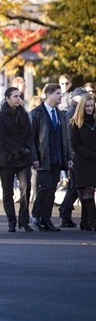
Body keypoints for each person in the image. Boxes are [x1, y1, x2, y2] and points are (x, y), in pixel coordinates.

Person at [29, 83, 72, 231]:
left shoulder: (60, 114)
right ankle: (35, 215)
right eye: (58, 93)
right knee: (45, 187)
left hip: (57, 158)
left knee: (51, 189)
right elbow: (31, 139)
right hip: (43, 158)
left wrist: (68, 157)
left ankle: (46, 220)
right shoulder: (36, 113)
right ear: (49, 95)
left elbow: (65, 138)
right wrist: (34, 157)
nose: (61, 96)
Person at [0, 87, 36, 232]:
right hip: (6, 158)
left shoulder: (24, 114)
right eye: (15, 96)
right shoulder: (0, 116)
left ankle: (24, 221)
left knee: (26, 188)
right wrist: (17, 149)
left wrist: (28, 149)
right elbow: (3, 136)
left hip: (23, 158)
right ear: (7, 98)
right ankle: (11, 221)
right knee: (7, 192)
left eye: (19, 96)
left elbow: (30, 134)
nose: (18, 99)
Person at [68, 95, 96, 230]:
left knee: (89, 191)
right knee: (88, 189)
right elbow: (75, 144)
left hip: (94, 160)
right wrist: (90, 154)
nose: (90, 108)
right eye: (87, 106)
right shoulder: (75, 123)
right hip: (83, 161)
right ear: (82, 107)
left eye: (92, 105)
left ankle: (85, 222)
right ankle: (93, 221)